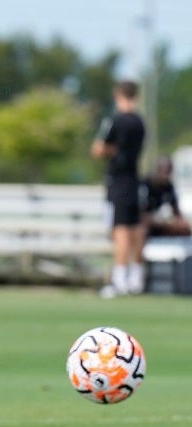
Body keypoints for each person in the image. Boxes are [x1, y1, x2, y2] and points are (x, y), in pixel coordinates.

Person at [91, 80, 147, 297]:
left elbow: (98, 149)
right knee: (135, 228)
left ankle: (119, 280)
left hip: (119, 180)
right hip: (134, 178)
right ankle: (136, 278)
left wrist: (109, 150)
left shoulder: (116, 120)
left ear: (118, 95)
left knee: (121, 230)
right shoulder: (140, 122)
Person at [139, 155, 191, 238]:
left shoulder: (168, 188)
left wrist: (181, 223)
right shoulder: (145, 185)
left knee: (184, 229)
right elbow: (139, 214)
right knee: (142, 227)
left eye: (168, 172)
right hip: (142, 223)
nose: (165, 175)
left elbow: (176, 212)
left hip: (158, 223)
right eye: (163, 171)